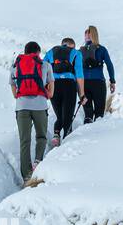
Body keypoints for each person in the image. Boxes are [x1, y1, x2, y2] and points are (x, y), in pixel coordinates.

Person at [10, 41, 55, 182]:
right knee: (41, 136)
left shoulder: (15, 65)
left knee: (25, 141)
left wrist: (21, 97)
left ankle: (27, 177)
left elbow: (13, 90)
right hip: (40, 106)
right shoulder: (45, 65)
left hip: (22, 106)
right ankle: (37, 162)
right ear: (38, 53)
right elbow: (51, 92)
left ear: (25, 51)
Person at [45, 37, 85, 145]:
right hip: (69, 85)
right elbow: (79, 75)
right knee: (68, 116)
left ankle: (56, 134)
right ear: (72, 46)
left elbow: (42, 70)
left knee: (59, 116)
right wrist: (82, 94)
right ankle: (66, 143)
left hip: (54, 85)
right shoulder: (76, 53)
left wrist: (45, 87)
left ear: (62, 44)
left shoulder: (51, 52)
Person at [79, 25, 116, 123]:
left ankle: (86, 133)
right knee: (99, 114)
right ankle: (98, 136)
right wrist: (112, 81)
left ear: (86, 36)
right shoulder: (102, 49)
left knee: (88, 114)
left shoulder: (80, 51)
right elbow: (109, 65)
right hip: (98, 83)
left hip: (84, 83)